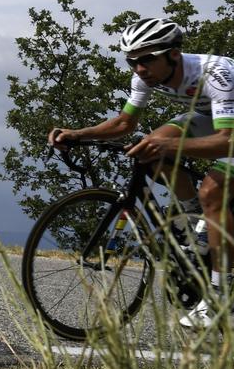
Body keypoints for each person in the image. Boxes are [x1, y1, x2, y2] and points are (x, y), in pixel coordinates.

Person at [48, 17, 234, 329]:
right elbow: (124, 124)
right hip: (209, 117)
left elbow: (226, 142)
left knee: (212, 192)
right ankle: (194, 223)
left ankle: (220, 292)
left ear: (173, 54)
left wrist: (170, 149)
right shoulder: (145, 78)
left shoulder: (216, 74)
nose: (139, 68)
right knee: (150, 144)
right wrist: (78, 134)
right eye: (131, 61)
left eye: (146, 59)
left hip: (228, 128)